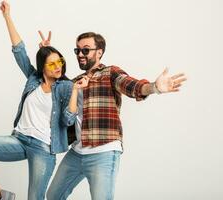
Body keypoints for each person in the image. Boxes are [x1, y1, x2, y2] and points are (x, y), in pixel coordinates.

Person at [47, 32, 187, 200]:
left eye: (86, 50)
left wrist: (154, 88)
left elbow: (131, 85)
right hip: (77, 152)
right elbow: (54, 81)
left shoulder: (109, 73)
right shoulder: (76, 81)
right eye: (77, 51)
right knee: (53, 195)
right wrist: (47, 54)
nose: (80, 55)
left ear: (99, 52)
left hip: (103, 151)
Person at [0, 1, 79, 200]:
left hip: (44, 148)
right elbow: (19, 50)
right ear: (42, 67)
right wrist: (7, 16)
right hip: (19, 140)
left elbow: (68, 120)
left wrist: (75, 90)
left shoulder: (66, 87)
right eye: (51, 64)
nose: (57, 66)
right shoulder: (33, 78)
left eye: (60, 62)